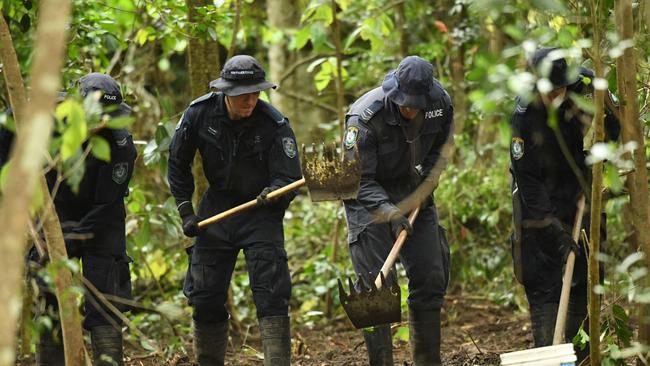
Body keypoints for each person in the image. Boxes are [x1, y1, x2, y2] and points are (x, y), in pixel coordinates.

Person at [167, 55, 301, 366]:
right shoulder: (199, 114)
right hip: (217, 209)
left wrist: (274, 194)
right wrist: (186, 210)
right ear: (226, 92)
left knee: (272, 294)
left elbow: (289, 177)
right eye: (243, 95)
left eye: (256, 93)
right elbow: (177, 164)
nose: (250, 101)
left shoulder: (274, 123)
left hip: (261, 211)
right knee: (204, 295)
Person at [0, 74, 137, 366]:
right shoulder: (42, 117)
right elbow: (7, 133)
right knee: (49, 297)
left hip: (103, 219)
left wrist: (74, 238)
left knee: (105, 300)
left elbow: (108, 201)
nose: (102, 123)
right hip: (54, 214)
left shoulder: (120, 142)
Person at [509, 47, 620, 361]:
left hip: (576, 186)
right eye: (551, 91)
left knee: (585, 271)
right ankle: (547, 349)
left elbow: (613, 119)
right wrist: (554, 232)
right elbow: (527, 180)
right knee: (541, 275)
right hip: (536, 198)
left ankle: (582, 352)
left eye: (562, 89)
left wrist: (601, 150)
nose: (558, 96)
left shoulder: (584, 85)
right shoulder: (524, 114)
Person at [342, 55, 453, 366]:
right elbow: (358, 180)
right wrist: (389, 213)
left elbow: (441, 149)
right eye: (405, 103)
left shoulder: (440, 104)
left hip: (413, 189)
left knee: (431, 276)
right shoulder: (364, 119)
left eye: (417, 104)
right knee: (377, 294)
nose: (411, 109)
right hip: (368, 198)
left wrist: (428, 182)